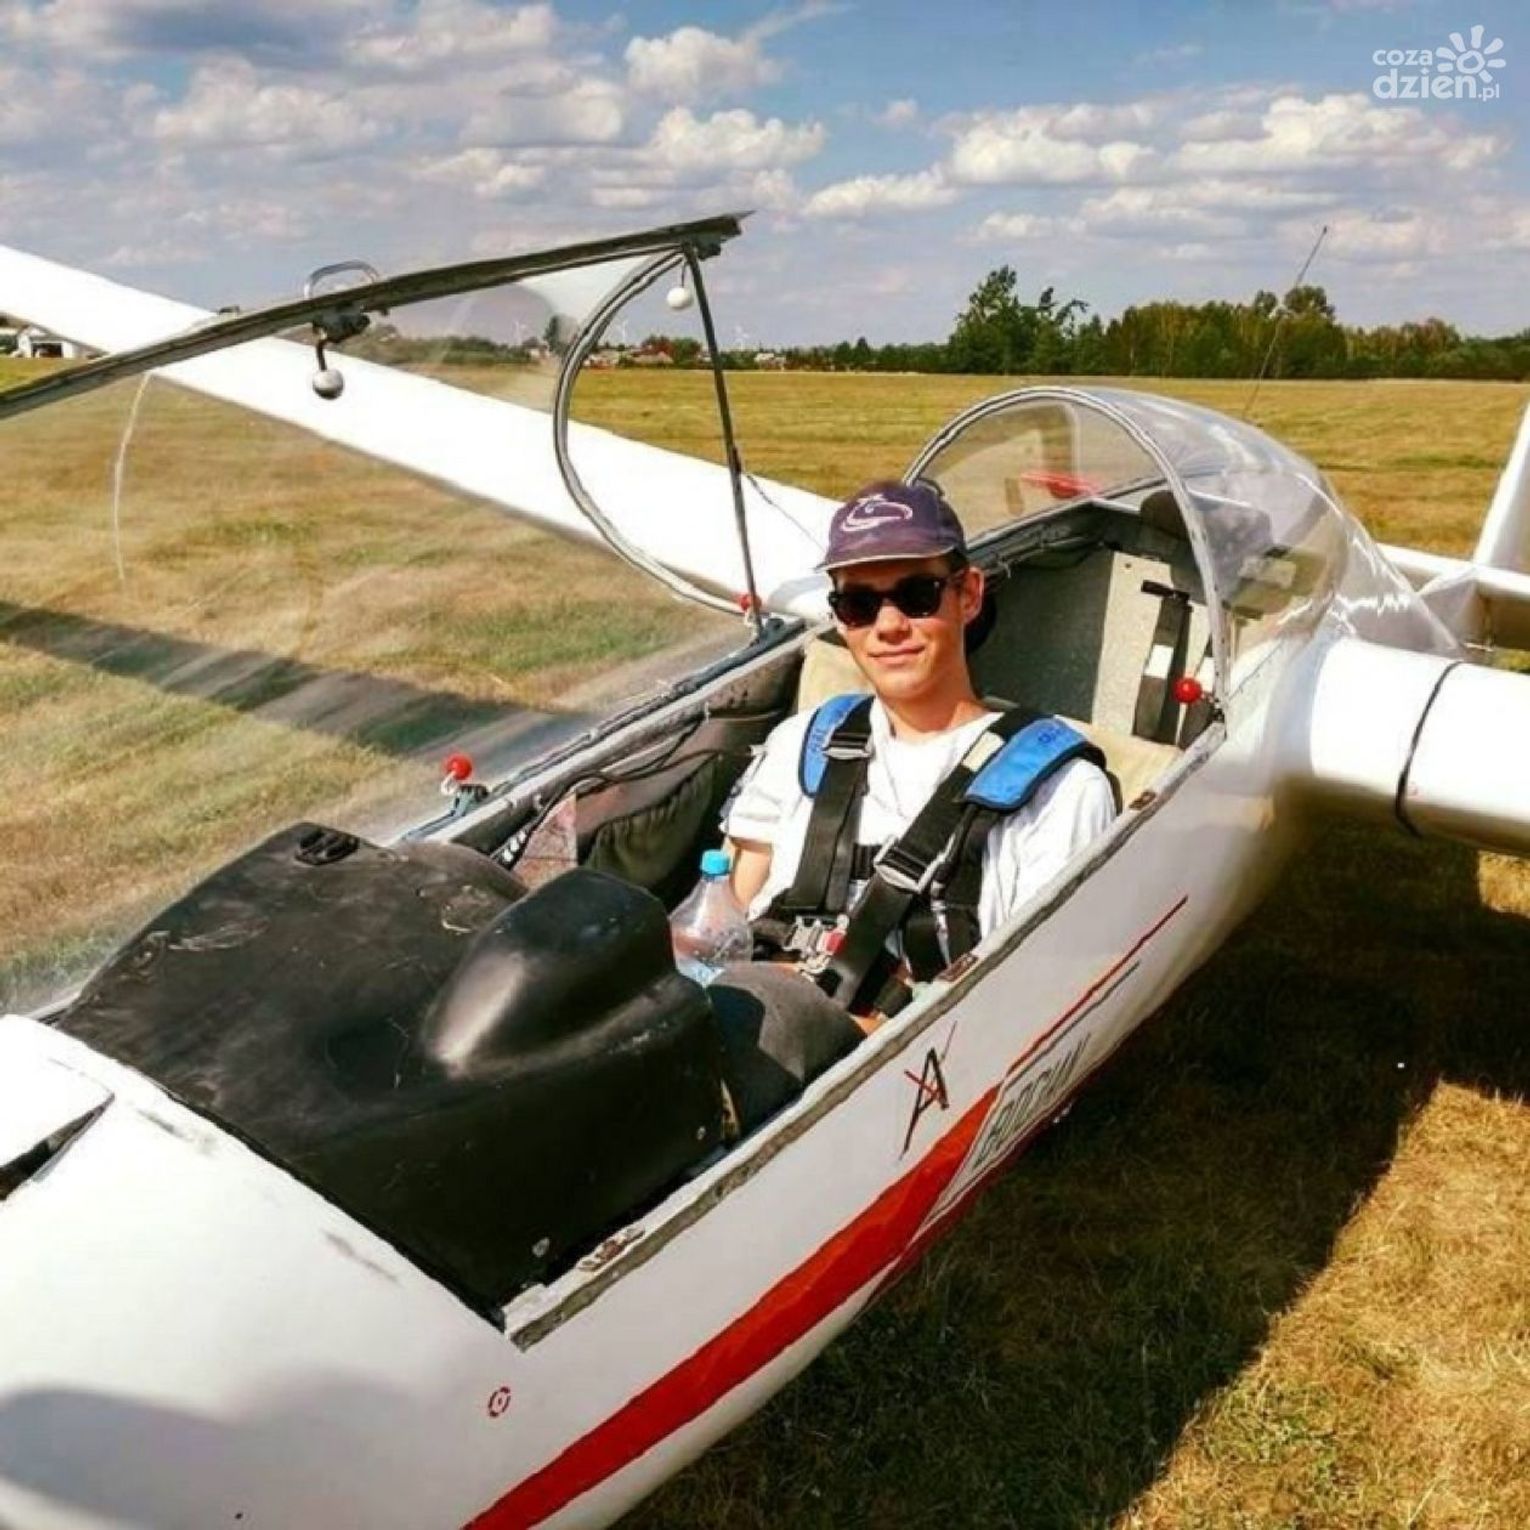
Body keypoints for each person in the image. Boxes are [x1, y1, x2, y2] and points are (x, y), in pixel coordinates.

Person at [722, 479, 1117, 1027]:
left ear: (969, 594)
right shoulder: (803, 741)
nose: (888, 626)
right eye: (859, 604)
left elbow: (1033, 1003)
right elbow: (724, 915)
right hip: (749, 1011)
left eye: (917, 595)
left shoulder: (1061, 792)